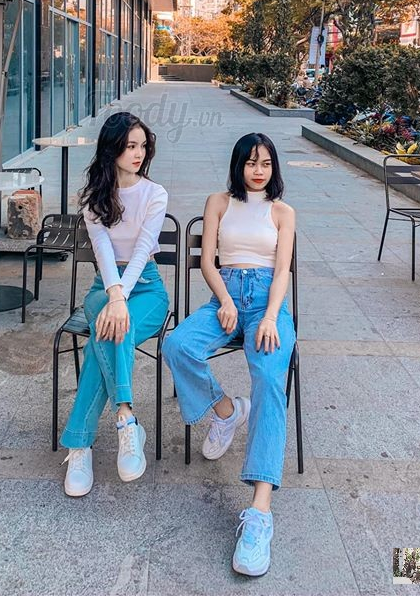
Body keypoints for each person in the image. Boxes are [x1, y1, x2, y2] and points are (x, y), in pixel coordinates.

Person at [163, 132, 296, 577]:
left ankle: (259, 513)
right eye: (251, 163)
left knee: (269, 381)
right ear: (238, 165)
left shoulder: (283, 212)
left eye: (266, 163)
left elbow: (282, 271)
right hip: (226, 295)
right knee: (178, 345)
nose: (258, 171)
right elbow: (208, 262)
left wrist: (271, 316)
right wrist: (224, 300)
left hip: (266, 303)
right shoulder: (218, 202)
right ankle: (226, 411)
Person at [60, 112, 169, 497]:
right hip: (103, 288)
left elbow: (142, 251)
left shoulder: (155, 194)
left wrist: (122, 298)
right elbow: (103, 252)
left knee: (109, 333)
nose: (138, 153)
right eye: (129, 146)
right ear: (112, 149)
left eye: (142, 146)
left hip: (148, 288)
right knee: (112, 326)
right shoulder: (94, 197)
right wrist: (114, 296)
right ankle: (126, 419)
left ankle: (80, 444)